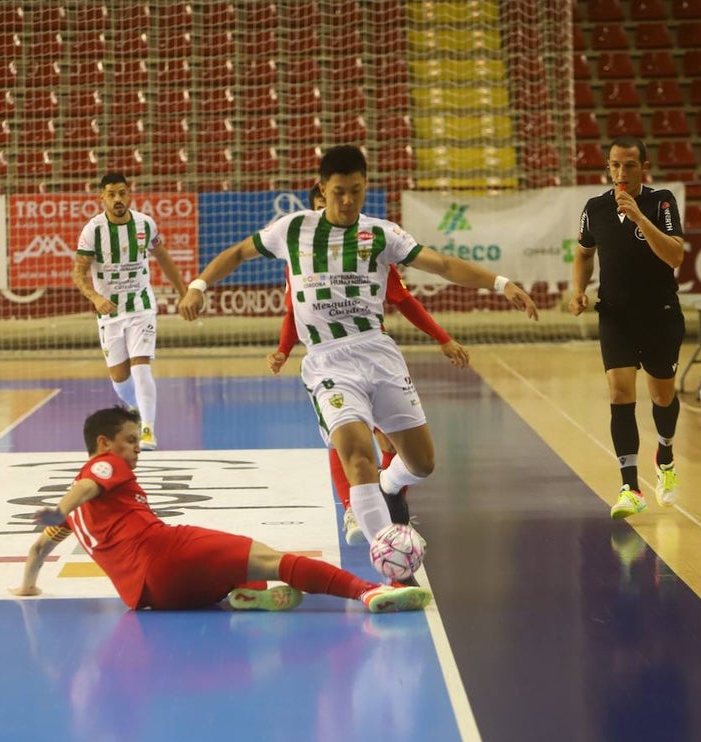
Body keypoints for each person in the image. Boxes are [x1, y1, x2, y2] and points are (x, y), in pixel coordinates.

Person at [179, 145, 539, 580]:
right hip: (328, 363)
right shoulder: (292, 229)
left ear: (365, 186)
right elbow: (237, 253)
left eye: (355, 191)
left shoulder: (381, 234)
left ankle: (391, 487)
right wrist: (199, 284)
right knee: (358, 457)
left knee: (422, 463)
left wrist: (501, 284)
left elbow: (442, 264)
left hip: (378, 354)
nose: (347, 201)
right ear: (321, 189)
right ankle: (390, 563)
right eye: (337, 192)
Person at [9, 406, 432, 613]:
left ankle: (246, 594)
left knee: (232, 567)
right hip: (166, 551)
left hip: (150, 597)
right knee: (274, 558)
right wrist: (56, 507)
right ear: (104, 443)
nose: (137, 449)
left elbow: (37, 552)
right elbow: (86, 484)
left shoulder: (75, 519)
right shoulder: (105, 465)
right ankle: (369, 591)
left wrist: (28, 586)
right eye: (131, 440)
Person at [267, 182, 470, 546]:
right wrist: (283, 349)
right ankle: (352, 507)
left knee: (395, 443)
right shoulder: (297, 254)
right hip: (330, 364)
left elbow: (405, 301)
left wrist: (443, 337)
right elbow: (292, 310)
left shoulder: (367, 247)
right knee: (343, 438)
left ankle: (392, 498)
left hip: (373, 359)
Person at [568, 136, 685, 519]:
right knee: (620, 394)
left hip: (659, 313)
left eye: (630, 165)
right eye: (615, 165)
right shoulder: (595, 208)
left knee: (662, 395)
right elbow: (584, 254)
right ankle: (630, 486)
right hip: (615, 314)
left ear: (643, 166)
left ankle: (665, 455)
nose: (621, 172)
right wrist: (579, 290)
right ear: (608, 167)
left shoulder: (661, 201)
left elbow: (675, 255)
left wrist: (638, 217)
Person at [73, 173, 188, 450]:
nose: (118, 199)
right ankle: (137, 408)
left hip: (141, 306)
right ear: (102, 197)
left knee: (141, 366)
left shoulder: (145, 224)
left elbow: (162, 257)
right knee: (119, 378)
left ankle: (147, 430)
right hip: (110, 312)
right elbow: (78, 272)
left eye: (122, 193)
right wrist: (95, 297)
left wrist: (185, 292)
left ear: (130, 194)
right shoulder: (93, 230)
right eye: (111, 194)